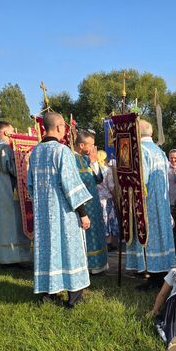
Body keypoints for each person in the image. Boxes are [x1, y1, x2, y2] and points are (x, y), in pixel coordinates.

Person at [28, 112, 93, 307]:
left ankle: (49, 292)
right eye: (64, 127)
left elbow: (30, 185)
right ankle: (73, 296)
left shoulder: (36, 152)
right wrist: (82, 213)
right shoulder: (62, 151)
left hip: (43, 213)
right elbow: (70, 185)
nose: (65, 131)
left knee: (49, 250)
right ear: (58, 127)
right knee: (69, 249)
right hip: (64, 212)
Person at [126, 119, 176, 290]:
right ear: (151, 133)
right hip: (162, 201)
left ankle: (154, 278)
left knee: (150, 237)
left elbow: (141, 180)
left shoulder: (140, 151)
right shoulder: (160, 151)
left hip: (147, 203)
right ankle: (162, 274)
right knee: (161, 237)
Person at [0, 121, 32, 265]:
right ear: (6, 133)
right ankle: (15, 258)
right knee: (12, 225)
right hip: (8, 192)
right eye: (12, 131)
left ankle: (1, 256)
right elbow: (15, 170)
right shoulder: (6, 149)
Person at [74, 130, 109, 274]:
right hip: (82, 205)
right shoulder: (72, 159)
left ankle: (99, 265)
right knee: (86, 236)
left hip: (94, 203)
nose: (93, 149)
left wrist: (94, 162)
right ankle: (88, 266)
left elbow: (99, 179)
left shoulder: (86, 159)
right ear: (81, 145)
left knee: (97, 232)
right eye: (91, 145)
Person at [96, 150, 119, 250]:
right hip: (107, 198)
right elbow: (111, 186)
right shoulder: (107, 170)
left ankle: (100, 241)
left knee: (100, 219)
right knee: (108, 220)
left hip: (97, 198)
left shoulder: (93, 168)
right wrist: (116, 197)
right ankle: (109, 242)